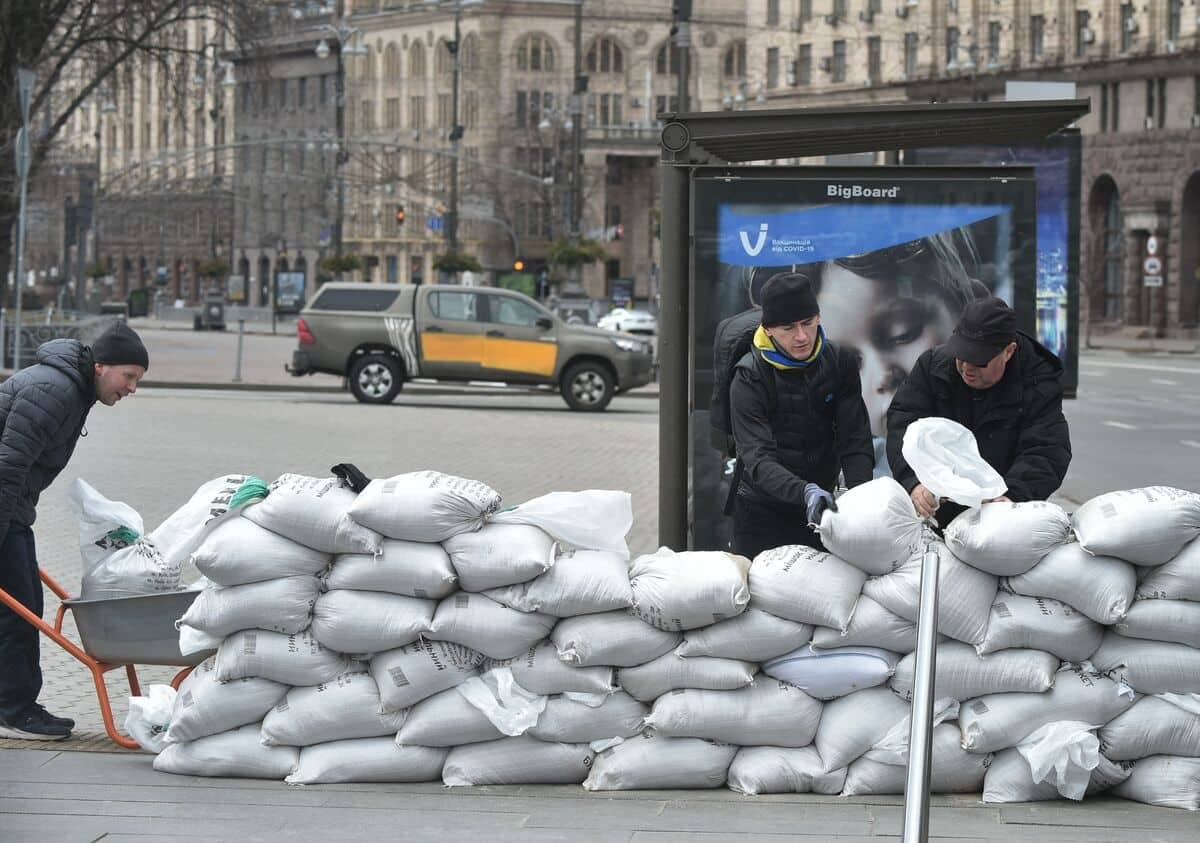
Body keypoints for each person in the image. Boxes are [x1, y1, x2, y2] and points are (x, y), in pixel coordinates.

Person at [0, 321, 149, 740]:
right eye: (130, 377)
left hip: (13, 509)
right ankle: (15, 710)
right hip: (5, 505)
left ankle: (14, 704)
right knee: (19, 610)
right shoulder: (55, 391)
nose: (132, 388)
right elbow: (8, 465)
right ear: (101, 366)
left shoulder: (71, 388)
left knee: (21, 605)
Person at [885, 297, 1071, 527]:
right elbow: (902, 426)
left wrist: (1013, 496)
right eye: (962, 357)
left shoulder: (1038, 382)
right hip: (938, 505)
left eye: (979, 361)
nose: (967, 368)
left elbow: (1047, 449)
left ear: (1008, 351)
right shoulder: (932, 367)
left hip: (1001, 507)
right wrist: (913, 482)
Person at [728, 274, 874, 559]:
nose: (802, 336)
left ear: (819, 317)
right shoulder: (749, 376)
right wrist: (804, 492)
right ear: (768, 329)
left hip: (823, 509)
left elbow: (854, 439)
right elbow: (758, 458)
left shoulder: (839, 362)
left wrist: (861, 498)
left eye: (808, 323)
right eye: (788, 328)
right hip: (762, 512)